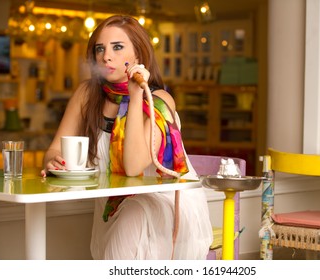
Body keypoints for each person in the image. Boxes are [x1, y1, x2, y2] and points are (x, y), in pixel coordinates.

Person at [41, 15, 213, 260]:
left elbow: (133, 166)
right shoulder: (87, 94)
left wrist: (135, 96)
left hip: (163, 206)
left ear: (139, 57)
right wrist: (53, 161)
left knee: (135, 212)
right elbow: (54, 148)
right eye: (100, 49)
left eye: (117, 47)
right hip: (111, 208)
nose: (106, 56)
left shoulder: (160, 100)